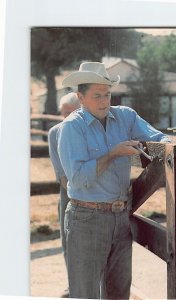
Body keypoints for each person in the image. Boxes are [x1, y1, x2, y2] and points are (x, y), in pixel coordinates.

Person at [57, 62, 170, 299]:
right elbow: (77, 179)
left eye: (107, 94)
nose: (104, 101)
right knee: (85, 294)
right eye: (97, 96)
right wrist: (112, 154)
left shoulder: (125, 116)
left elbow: (160, 139)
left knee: (119, 293)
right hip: (86, 218)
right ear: (80, 97)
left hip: (120, 217)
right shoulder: (71, 128)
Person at [48, 92, 80, 298]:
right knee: (68, 241)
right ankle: (73, 285)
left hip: (94, 194)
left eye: (70, 113)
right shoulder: (55, 133)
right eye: (63, 114)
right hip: (68, 193)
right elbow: (62, 176)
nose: (65, 118)